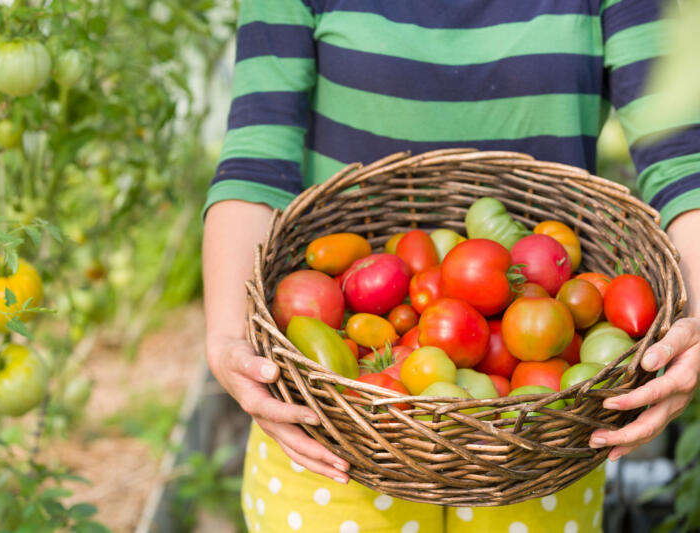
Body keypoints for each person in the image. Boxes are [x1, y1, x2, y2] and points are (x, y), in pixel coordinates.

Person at [202, 2, 700, 531]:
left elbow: (680, 158)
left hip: (542, 440)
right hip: (334, 427)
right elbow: (257, 159)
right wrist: (229, 336)